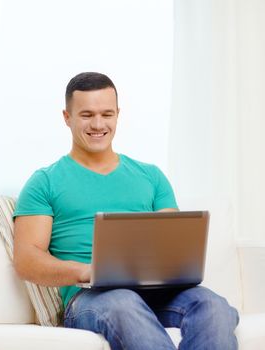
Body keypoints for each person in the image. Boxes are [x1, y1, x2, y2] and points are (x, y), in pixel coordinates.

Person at [12, 72, 239, 349]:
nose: (98, 124)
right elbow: (27, 260)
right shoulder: (45, 182)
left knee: (213, 306)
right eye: (86, 115)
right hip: (92, 298)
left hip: (156, 293)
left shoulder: (151, 176)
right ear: (67, 117)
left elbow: (171, 244)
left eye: (107, 114)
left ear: (118, 114)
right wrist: (86, 271)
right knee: (125, 302)